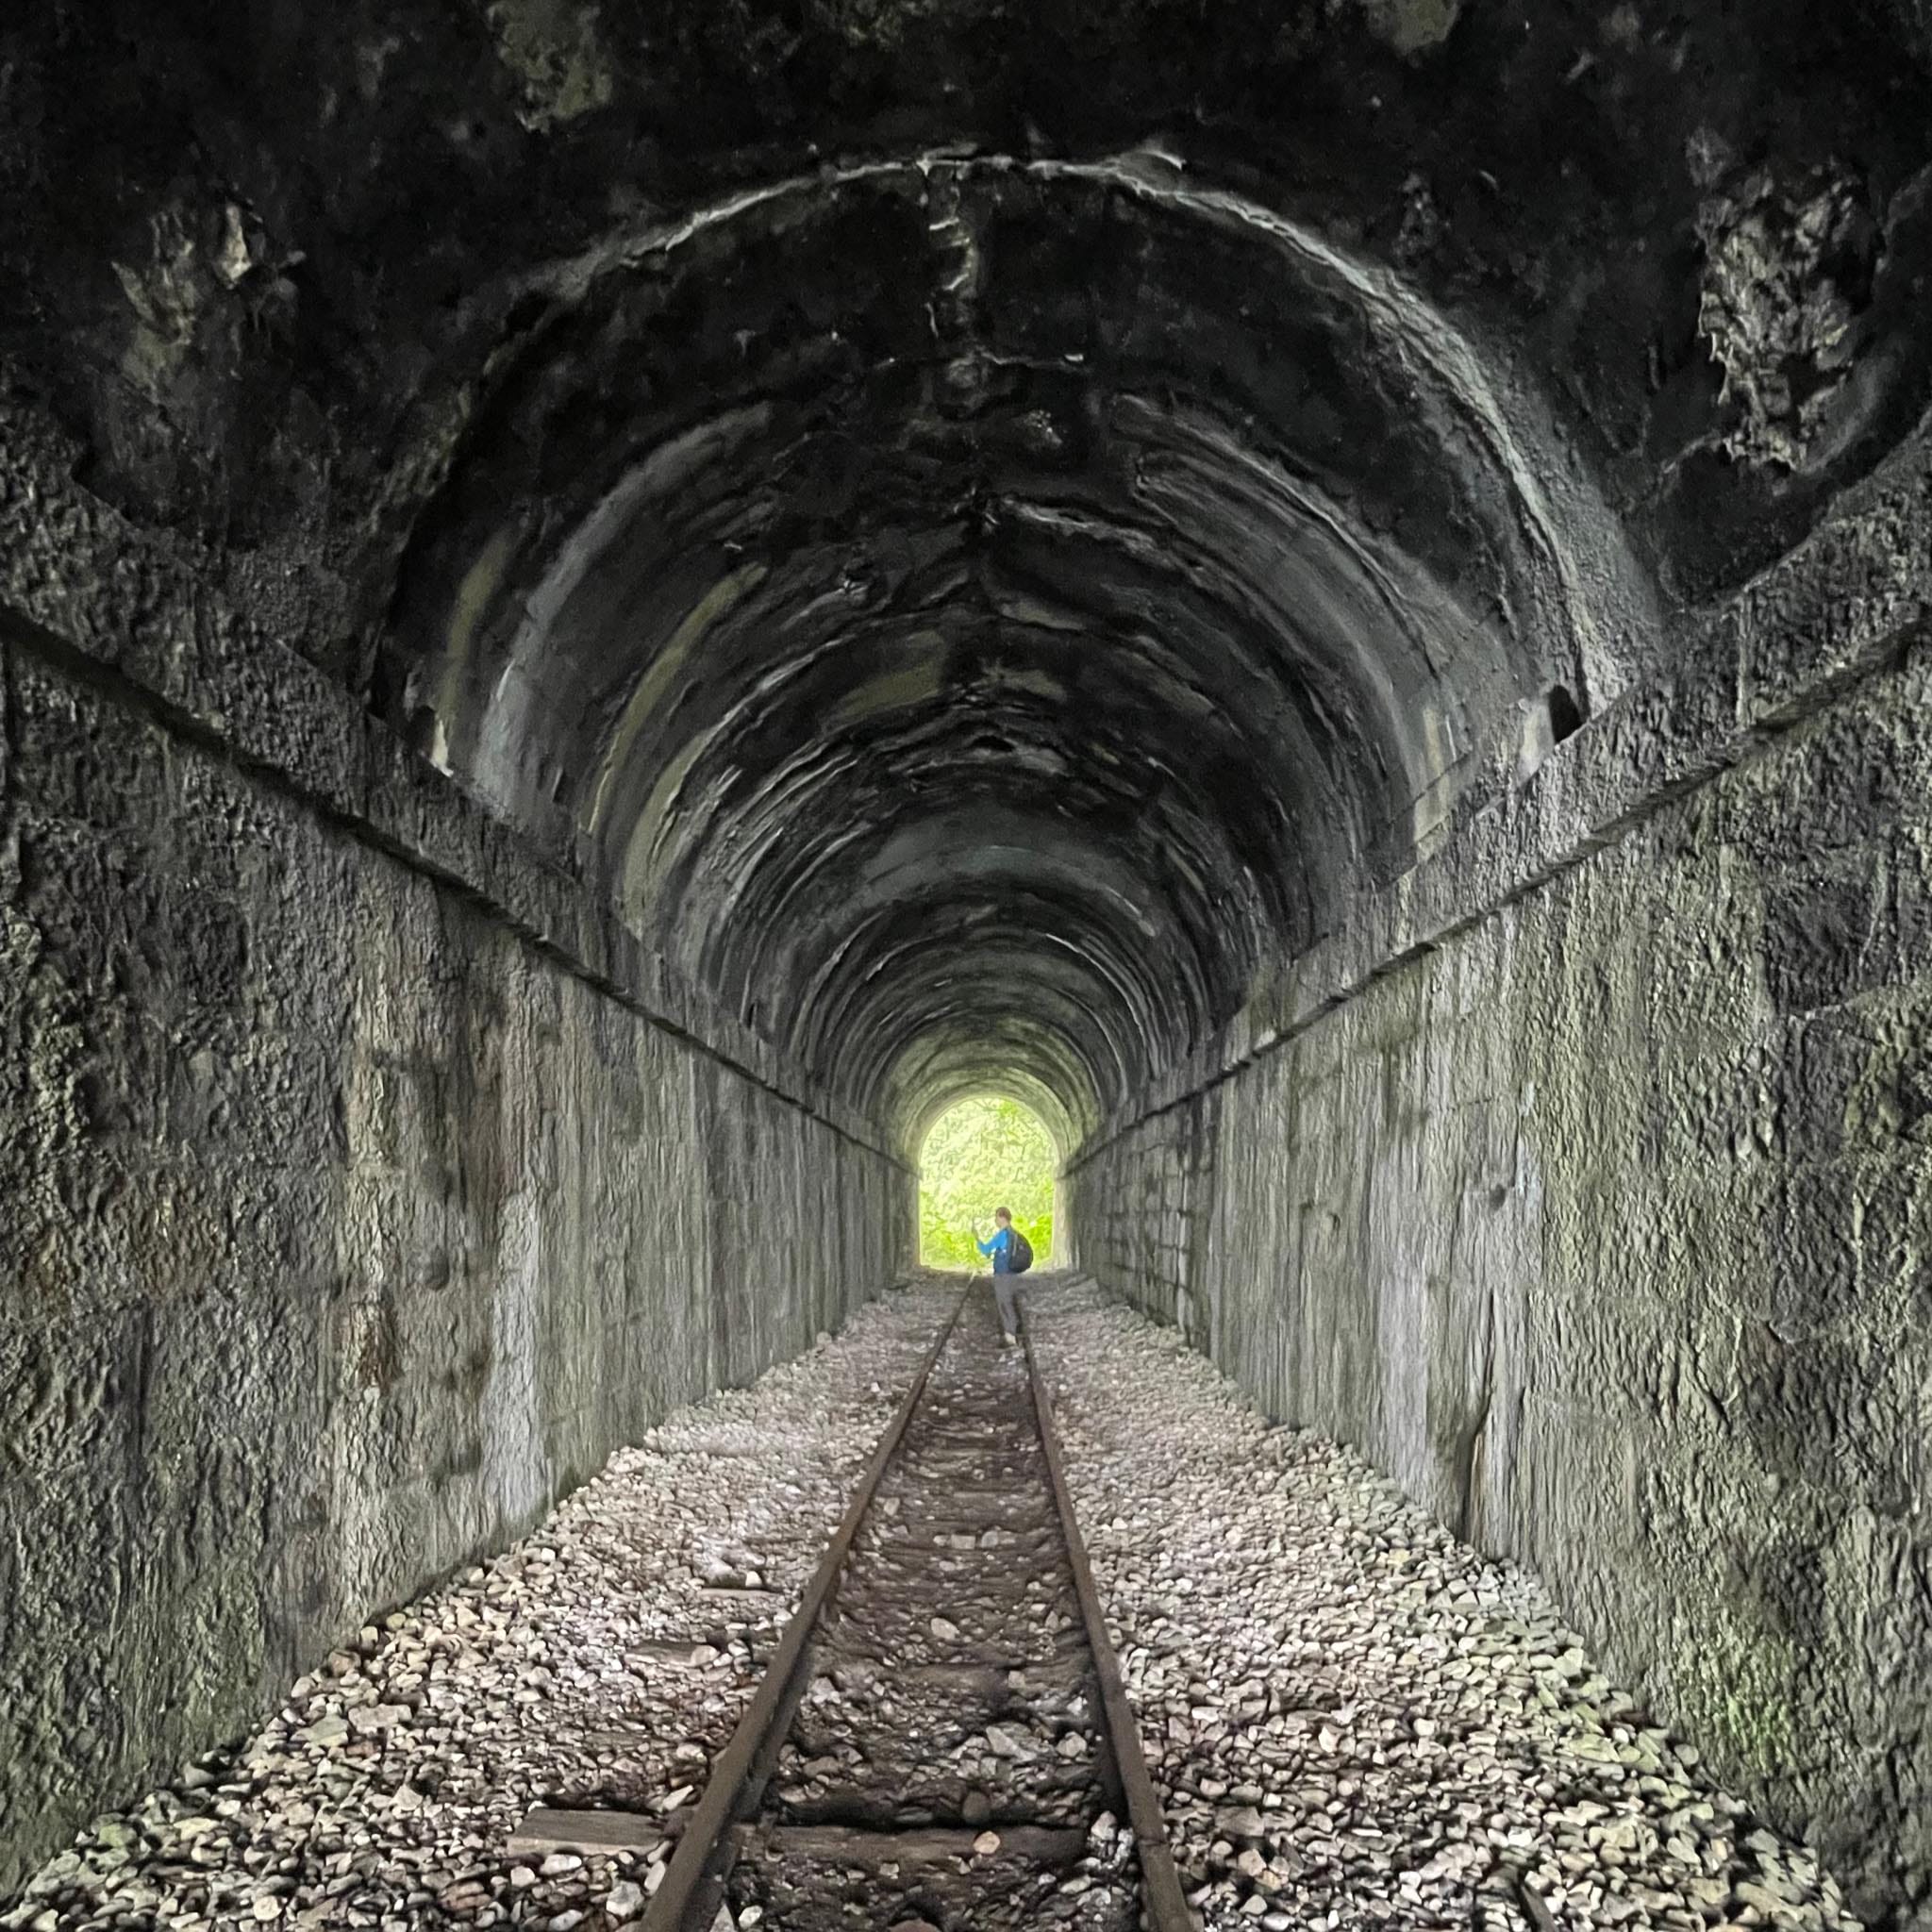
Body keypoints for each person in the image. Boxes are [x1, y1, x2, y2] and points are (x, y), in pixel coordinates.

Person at [975, 1207, 1021, 1344]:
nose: (995, 1220)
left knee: (1003, 1303)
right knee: (1008, 1302)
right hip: (1012, 1273)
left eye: (996, 1217)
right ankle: (1011, 1332)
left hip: (1002, 1274)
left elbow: (986, 1249)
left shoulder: (1002, 1235)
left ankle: (1010, 1334)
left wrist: (977, 1238)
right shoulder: (1014, 1234)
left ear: (1002, 1218)